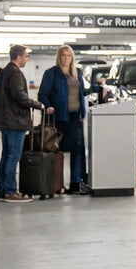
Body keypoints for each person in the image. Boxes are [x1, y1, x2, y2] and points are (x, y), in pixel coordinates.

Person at [0, 45, 53, 203]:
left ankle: (3, 190)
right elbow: (20, 96)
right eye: (26, 56)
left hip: (4, 120)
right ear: (18, 57)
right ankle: (10, 192)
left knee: (6, 156)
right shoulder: (15, 73)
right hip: (15, 121)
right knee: (13, 156)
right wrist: (37, 104)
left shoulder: (3, 73)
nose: (27, 59)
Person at [37, 45, 89, 195]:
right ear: (59, 57)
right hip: (57, 118)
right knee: (55, 151)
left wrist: (97, 87)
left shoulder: (77, 73)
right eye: (63, 55)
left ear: (72, 58)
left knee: (78, 150)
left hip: (75, 117)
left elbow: (82, 92)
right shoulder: (51, 73)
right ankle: (55, 184)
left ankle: (76, 182)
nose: (66, 58)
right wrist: (48, 106)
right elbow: (43, 94)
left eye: (69, 55)